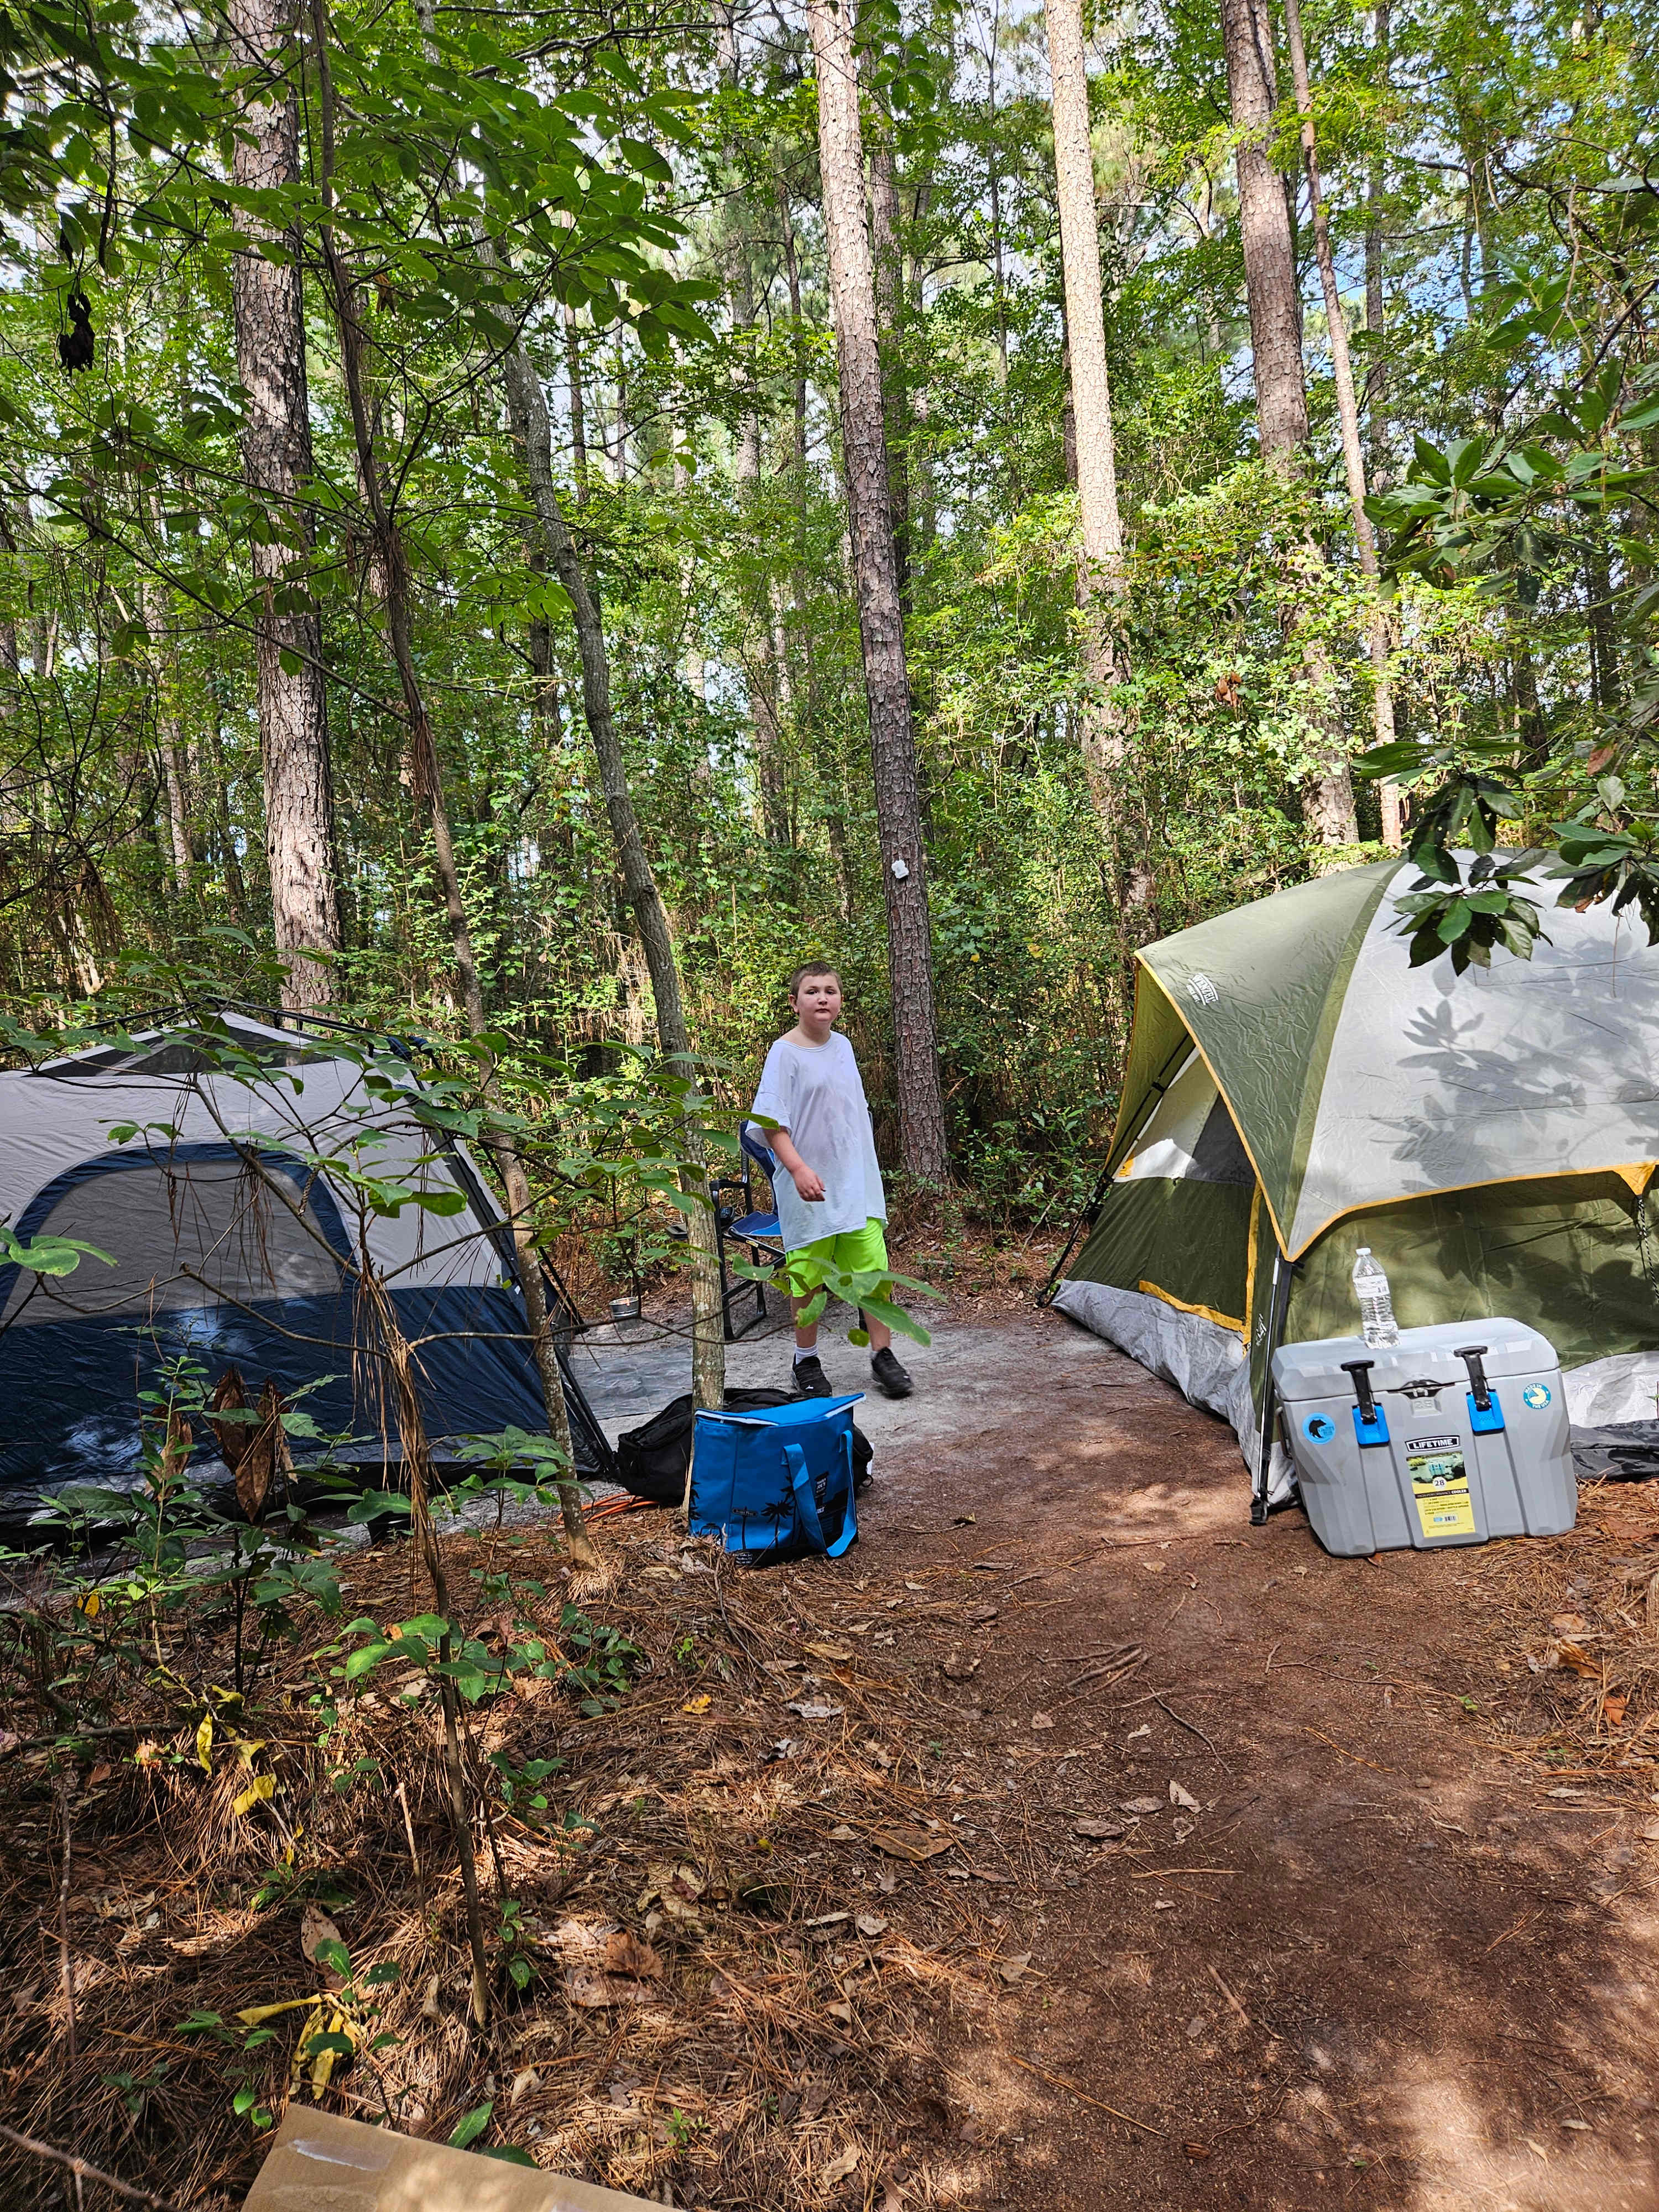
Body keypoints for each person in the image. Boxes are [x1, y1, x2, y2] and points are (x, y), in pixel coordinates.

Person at [748, 962, 915, 1399]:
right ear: (794, 1002)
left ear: (840, 1000)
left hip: (854, 1183)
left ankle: (883, 1356)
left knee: (873, 1272)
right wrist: (799, 1169)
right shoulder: (784, 1053)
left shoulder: (843, 1046)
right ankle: (806, 1362)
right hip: (809, 1188)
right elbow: (769, 1123)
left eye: (830, 991)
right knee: (807, 1276)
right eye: (812, 991)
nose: (822, 999)